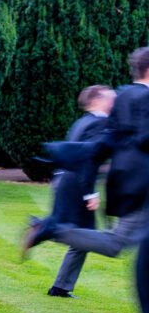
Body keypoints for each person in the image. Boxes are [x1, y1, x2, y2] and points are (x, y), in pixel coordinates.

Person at [24, 49, 149, 262]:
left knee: (119, 242)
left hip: (127, 180)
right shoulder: (144, 98)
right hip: (141, 182)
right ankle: (51, 229)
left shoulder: (125, 95)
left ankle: (51, 230)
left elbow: (109, 140)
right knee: (116, 243)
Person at [44, 85, 114, 298]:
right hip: (76, 184)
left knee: (84, 235)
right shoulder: (98, 123)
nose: (115, 102)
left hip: (66, 180)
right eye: (111, 98)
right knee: (84, 234)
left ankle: (61, 287)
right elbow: (86, 161)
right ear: (97, 100)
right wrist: (89, 193)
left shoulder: (82, 122)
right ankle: (44, 228)